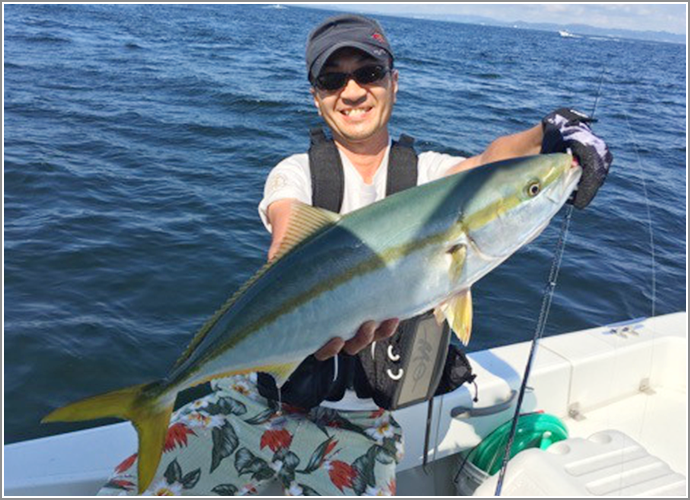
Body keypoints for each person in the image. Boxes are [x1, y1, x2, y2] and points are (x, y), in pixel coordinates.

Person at [98, 14, 612, 497]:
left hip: (364, 424)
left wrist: (548, 136)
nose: (352, 91)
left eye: (368, 72)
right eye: (332, 80)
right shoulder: (296, 172)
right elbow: (286, 228)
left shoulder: (432, 177)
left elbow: (490, 163)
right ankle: (160, 398)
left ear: (393, 81)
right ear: (316, 97)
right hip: (255, 401)